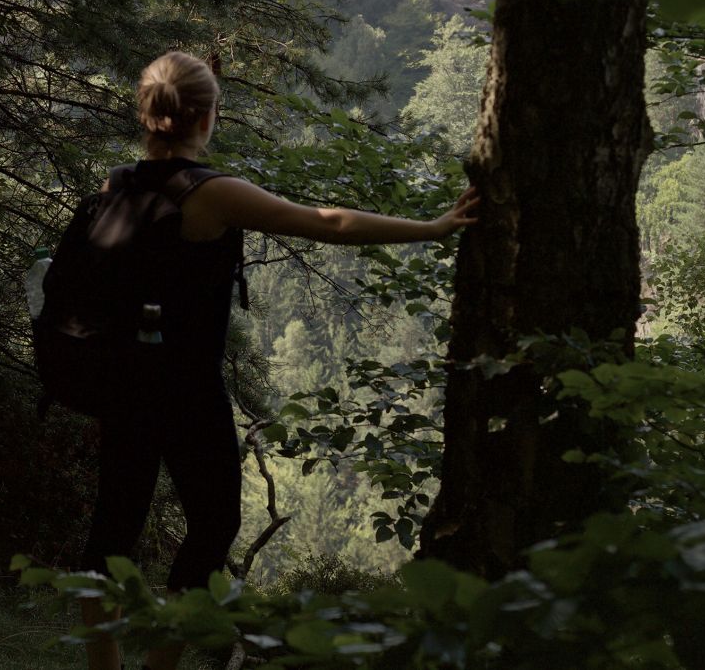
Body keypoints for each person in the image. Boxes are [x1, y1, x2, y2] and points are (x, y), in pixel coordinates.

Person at [79, 50, 478, 670]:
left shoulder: (117, 184)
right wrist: (433, 227)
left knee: (114, 524)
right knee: (212, 526)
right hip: (187, 390)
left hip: (121, 381)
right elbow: (330, 223)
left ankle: (102, 660)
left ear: (145, 113)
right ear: (206, 117)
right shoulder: (212, 194)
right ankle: (161, 663)